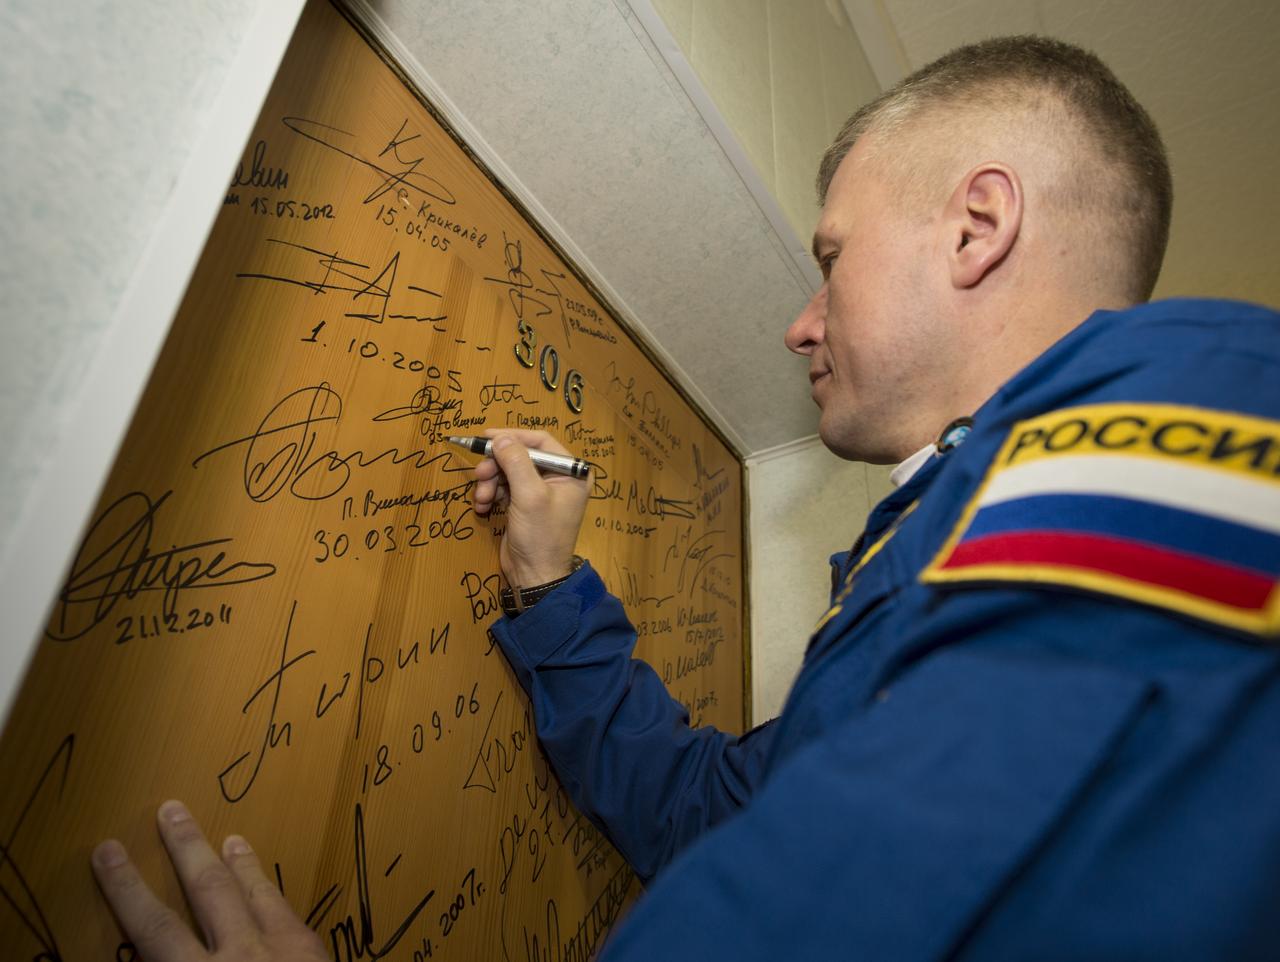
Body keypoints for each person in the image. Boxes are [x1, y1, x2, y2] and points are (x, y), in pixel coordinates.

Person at [92, 35, 1280, 960]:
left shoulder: (1205, 393)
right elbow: (721, 816)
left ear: (976, 226)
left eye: (827, 257)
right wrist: (547, 584)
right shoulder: (945, 538)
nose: (798, 323)